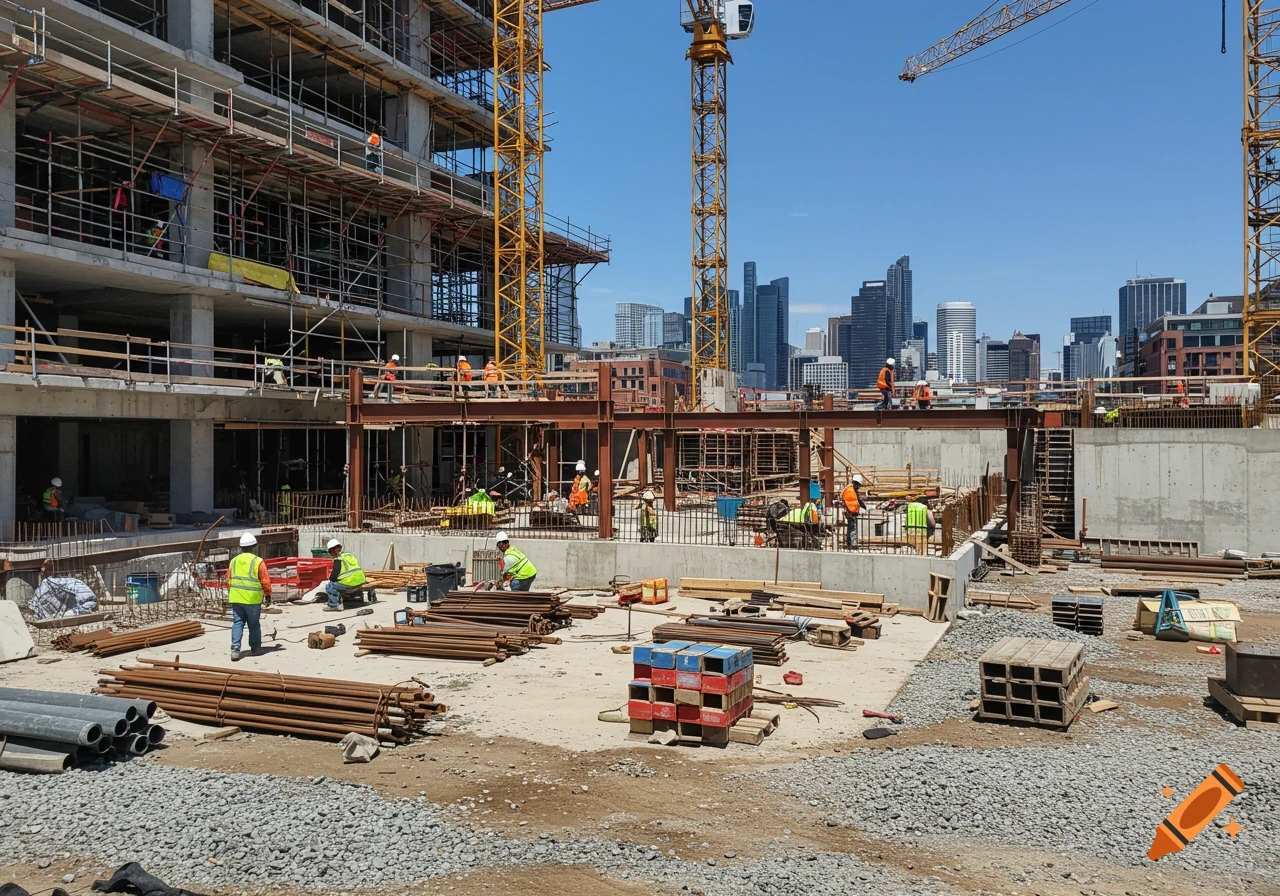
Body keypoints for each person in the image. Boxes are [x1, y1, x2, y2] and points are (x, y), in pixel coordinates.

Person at [227, 532, 272, 661]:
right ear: (254, 546)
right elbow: (265, 580)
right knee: (254, 624)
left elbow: (228, 580)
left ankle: (235, 651)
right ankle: (256, 648)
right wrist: (268, 595)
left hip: (236, 598)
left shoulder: (233, 561)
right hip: (252, 599)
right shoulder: (258, 561)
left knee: (238, 623)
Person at [324, 538, 366, 611]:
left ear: (333, 550)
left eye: (330, 552)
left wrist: (330, 580)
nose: (330, 555)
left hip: (350, 583)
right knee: (340, 583)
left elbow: (334, 575)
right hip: (361, 580)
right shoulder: (349, 555)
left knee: (330, 586)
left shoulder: (338, 559)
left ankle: (334, 605)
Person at [841, 474, 864, 549]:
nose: (859, 487)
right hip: (851, 512)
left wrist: (863, 506)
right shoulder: (850, 490)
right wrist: (854, 512)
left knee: (850, 528)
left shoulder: (852, 489)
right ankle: (852, 544)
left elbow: (858, 500)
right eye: (859, 485)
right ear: (856, 483)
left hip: (850, 512)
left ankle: (849, 543)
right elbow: (851, 502)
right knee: (852, 528)